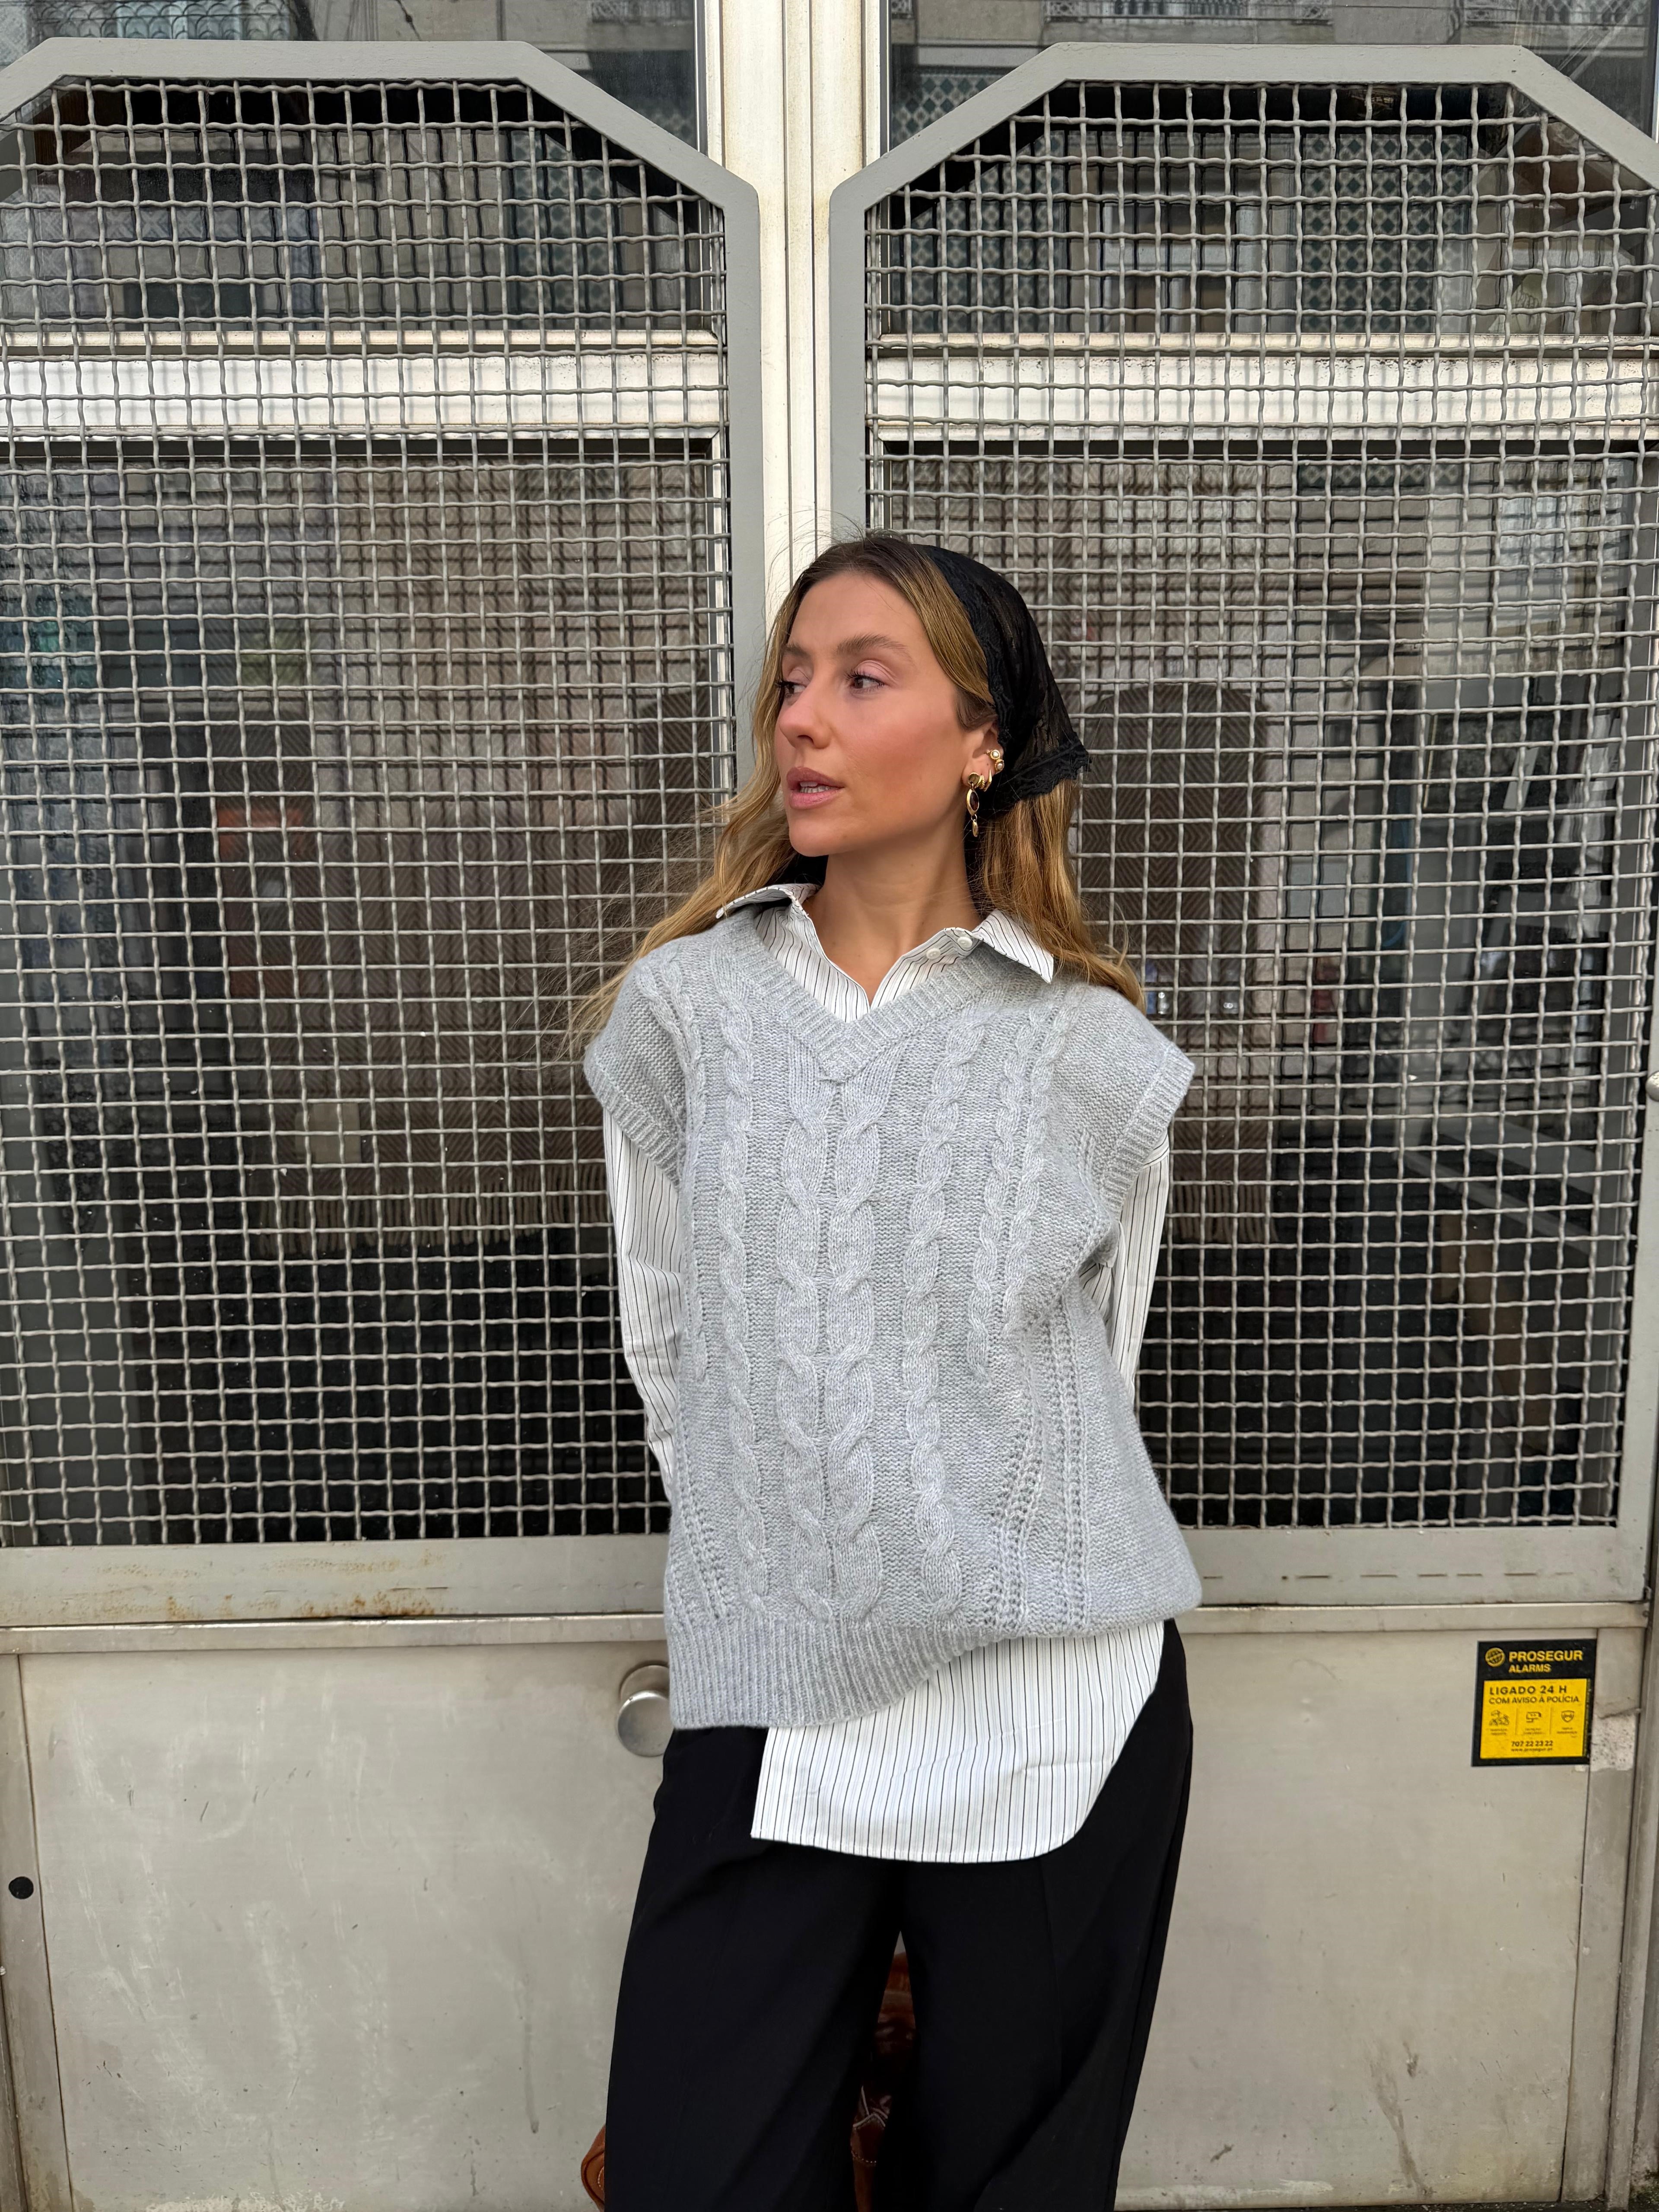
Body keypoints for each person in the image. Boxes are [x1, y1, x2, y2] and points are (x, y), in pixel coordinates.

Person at [573, 533, 1201, 2212]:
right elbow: (671, 1345)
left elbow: (1093, 1384)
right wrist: (799, 1550)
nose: (802, 718)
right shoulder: (685, 1013)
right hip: (771, 1693)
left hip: (1055, 1701)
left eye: (863, 678)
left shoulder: (1091, 1048)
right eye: (794, 679)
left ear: (984, 740)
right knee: (696, 2175)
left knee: (1010, 2189)